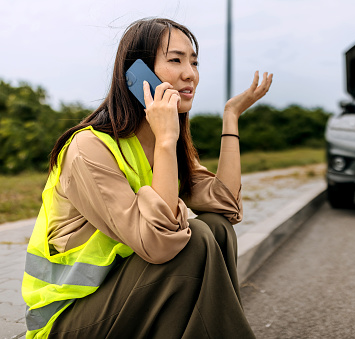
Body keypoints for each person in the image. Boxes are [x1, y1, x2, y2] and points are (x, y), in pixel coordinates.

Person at [22, 17, 273, 338]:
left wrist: (231, 116)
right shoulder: (89, 147)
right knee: (193, 239)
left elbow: (226, 207)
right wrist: (167, 140)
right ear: (136, 72)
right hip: (70, 319)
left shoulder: (162, 139)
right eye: (175, 60)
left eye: (194, 62)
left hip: (126, 294)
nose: (190, 74)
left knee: (216, 228)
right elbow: (159, 246)